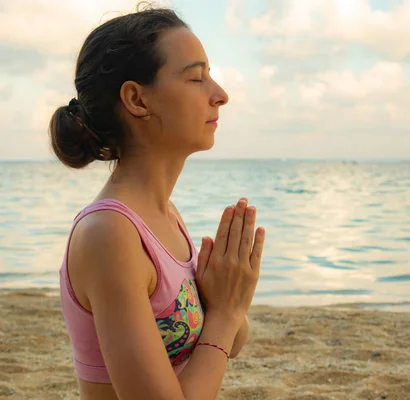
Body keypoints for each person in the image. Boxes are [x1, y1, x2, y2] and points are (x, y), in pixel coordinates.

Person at [49, 4, 265, 400]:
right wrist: (227, 312)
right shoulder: (110, 235)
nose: (220, 95)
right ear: (137, 99)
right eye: (196, 78)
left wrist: (231, 297)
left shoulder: (164, 215)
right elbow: (223, 329)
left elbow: (229, 342)